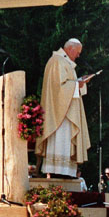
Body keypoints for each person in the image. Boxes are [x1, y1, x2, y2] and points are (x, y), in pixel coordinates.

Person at [36, 38, 91, 178]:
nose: (78, 55)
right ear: (70, 49)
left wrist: (80, 82)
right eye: (78, 52)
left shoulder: (65, 62)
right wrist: (76, 85)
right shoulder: (57, 61)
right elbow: (58, 88)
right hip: (59, 114)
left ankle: (66, 172)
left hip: (66, 111)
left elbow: (67, 85)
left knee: (65, 141)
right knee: (60, 141)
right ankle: (58, 172)